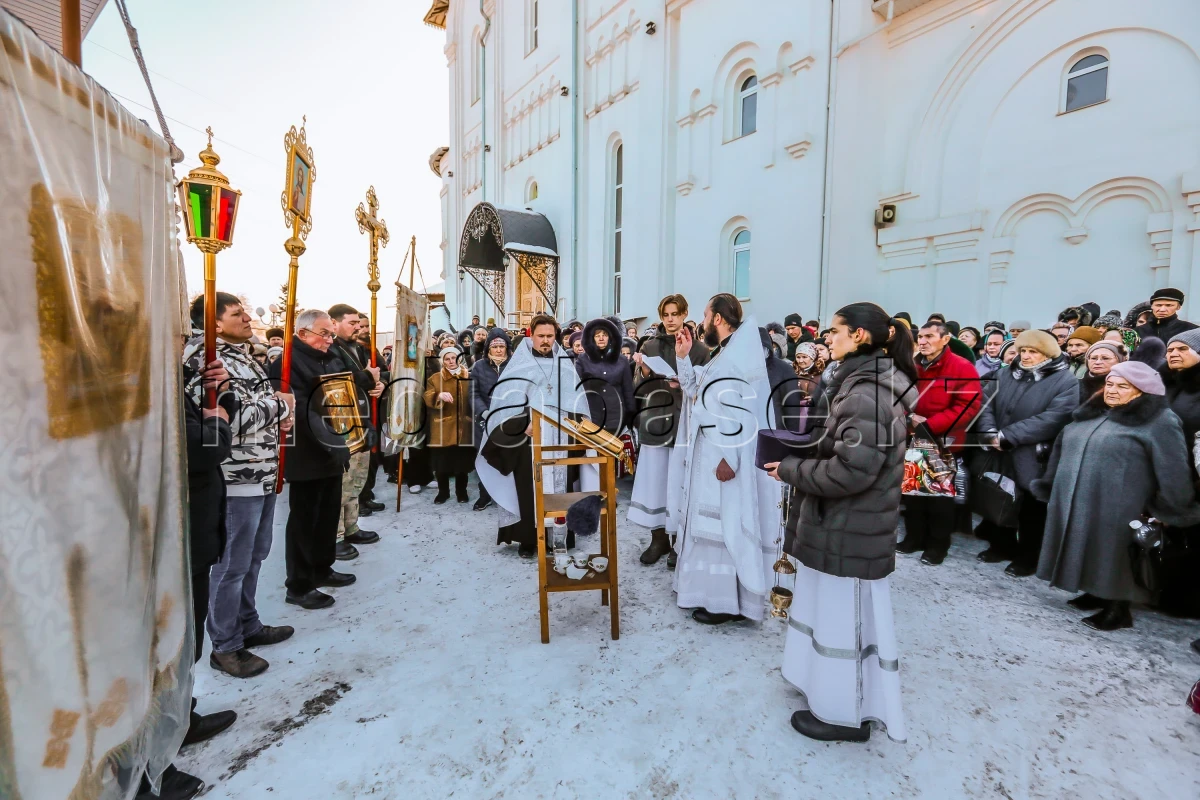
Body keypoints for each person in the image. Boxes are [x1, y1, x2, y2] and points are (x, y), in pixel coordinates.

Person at [765, 302, 915, 744]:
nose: (827, 338)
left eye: (835, 331)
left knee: (841, 622)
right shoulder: (862, 383)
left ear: (860, 337)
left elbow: (852, 471)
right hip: (846, 524)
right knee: (835, 617)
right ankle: (828, 693)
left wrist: (789, 470)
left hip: (849, 526)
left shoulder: (868, 392)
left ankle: (842, 716)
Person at [1033, 362, 1198, 630]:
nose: (1112, 390)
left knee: (1115, 553)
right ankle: (1095, 590)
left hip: (1124, 503)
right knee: (1087, 544)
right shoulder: (1093, 412)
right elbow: (1063, 446)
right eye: (1110, 383)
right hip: (1081, 495)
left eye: (1123, 386)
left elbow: (1173, 468)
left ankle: (1118, 608)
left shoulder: (1160, 420)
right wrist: (1051, 483)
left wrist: (1172, 507)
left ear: (1142, 392)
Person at [184, 293, 295, 679]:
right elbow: (228, 417)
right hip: (235, 476)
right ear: (214, 323)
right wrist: (283, 407)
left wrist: (281, 415)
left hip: (260, 471)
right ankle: (226, 645)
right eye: (237, 313)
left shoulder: (243, 353)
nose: (248, 317)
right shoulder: (204, 358)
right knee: (231, 565)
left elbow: (256, 404)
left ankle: (248, 623)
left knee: (255, 555)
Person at [671, 294, 775, 625]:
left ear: (718, 318)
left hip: (722, 455)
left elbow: (738, 411)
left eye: (704, 315)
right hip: (711, 451)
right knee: (710, 525)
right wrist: (683, 358)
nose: (702, 322)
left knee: (721, 525)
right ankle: (707, 593)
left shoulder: (734, 359)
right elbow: (696, 391)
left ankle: (724, 603)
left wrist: (730, 457)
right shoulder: (725, 354)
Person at [269, 309, 361, 610]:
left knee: (326, 514)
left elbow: (343, 395)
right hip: (307, 451)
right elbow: (300, 409)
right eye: (324, 333)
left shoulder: (331, 356)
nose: (329, 339)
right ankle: (299, 584)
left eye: (331, 333)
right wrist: (331, 441)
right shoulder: (285, 362)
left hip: (334, 449)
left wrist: (353, 432)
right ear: (303, 333)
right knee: (304, 521)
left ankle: (323, 568)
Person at [478, 315, 587, 557]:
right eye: (541, 336)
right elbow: (504, 407)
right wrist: (521, 425)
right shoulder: (519, 365)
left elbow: (578, 404)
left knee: (561, 488)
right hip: (530, 438)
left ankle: (557, 538)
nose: (546, 341)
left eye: (550, 336)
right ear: (532, 335)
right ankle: (529, 539)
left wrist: (577, 425)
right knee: (528, 488)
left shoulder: (565, 365)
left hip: (560, 440)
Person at [974, 330, 1079, 576]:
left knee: (1032, 510)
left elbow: (1054, 418)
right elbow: (985, 402)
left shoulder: (1065, 381)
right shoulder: (1005, 373)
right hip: (999, 449)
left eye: (1033, 352)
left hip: (1034, 455)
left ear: (1048, 354)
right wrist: (989, 432)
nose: (1026, 356)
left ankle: (1029, 557)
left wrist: (1009, 436)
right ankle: (1001, 545)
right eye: (1023, 351)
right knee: (998, 496)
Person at [180, 358, 239, 747]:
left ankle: (180, 714)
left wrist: (219, 397)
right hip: (180, 530)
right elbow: (202, 447)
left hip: (193, 530)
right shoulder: (144, 381)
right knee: (177, 639)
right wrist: (218, 420)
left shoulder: (172, 378)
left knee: (186, 636)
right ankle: (168, 730)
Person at [629, 294, 712, 567]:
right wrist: (642, 370)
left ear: (685, 314)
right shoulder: (649, 345)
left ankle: (678, 540)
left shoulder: (699, 349)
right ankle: (658, 539)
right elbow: (637, 389)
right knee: (656, 483)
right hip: (655, 420)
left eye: (676, 314)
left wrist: (686, 385)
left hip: (684, 424)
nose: (671, 319)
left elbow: (706, 391)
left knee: (679, 484)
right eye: (666, 314)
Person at [898, 320, 981, 565]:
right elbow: (899, 398)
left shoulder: (961, 367)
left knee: (938, 498)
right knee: (913, 493)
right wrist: (910, 417)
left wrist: (929, 426)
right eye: (920, 337)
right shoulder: (912, 365)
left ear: (945, 339)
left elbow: (967, 406)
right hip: (913, 438)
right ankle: (914, 538)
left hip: (941, 441)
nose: (922, 342)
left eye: (929, 337)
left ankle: (937, 545)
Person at [328, 304, 385, 560]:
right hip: (343, 423)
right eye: (353, 324)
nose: (358, 329)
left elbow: (373, 376)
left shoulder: (359, 349)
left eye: (360, 325)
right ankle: (337, 534)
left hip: (362, 419)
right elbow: (340, 381)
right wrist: (368, 377)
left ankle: (351, 526)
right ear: (334, 323)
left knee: (356, 479)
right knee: (343, 482)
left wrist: (379, 385)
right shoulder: (331, 350)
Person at [424, 347, 475, 504]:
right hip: (442, 428)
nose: (451, 361)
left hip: (464, 426)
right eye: (447, 359)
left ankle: (462, 492)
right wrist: (438, 395)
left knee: (462, 464)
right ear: (442, 361)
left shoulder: (469, 377)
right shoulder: (435, 378)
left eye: (454, 358)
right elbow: (427, 396)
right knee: (441, 464)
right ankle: (443, 492)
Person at [470, 327, 512, 510]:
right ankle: (485, 495)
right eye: (495, 346)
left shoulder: (514, 365)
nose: (498, 350)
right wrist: (484, 412)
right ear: (488, 348)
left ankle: (508, 496)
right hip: (485, 420)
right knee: (486, 458)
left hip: (510, 419)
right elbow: (473, 393)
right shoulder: (479, 366)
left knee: (508, 458)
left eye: (502, 346)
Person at [574, 317, 635, 435]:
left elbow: (628, 390)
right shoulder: (583, 359)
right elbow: (576, 387)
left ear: (610, 337)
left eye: (605, 334)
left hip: (616, 417)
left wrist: (631, 415)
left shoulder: (622, 360)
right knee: (593, 453)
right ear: (592, 338)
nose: (601, 338)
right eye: (597, 335)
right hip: (592, 417)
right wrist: (587, 382)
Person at [354, 317, 390, 516]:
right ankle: (356, 500)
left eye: (368, 326)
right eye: (361, 326)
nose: (365, 329)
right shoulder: (344, 350)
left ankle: (366, 494)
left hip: (375, 409)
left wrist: (382, 383)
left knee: (373, 456)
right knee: (358, 458)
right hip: (357, 410)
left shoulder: (372, 349)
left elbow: (386, 373)